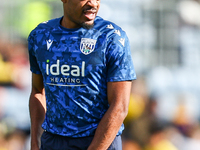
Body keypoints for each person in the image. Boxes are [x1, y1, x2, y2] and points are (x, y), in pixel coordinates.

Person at [28, 0, 136, 149]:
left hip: (99, 141)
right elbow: (37, 91)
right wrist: (35, 142)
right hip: (53, 141)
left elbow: (120, 106)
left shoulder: (112, 37)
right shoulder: (40, 35)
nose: (93, 3)